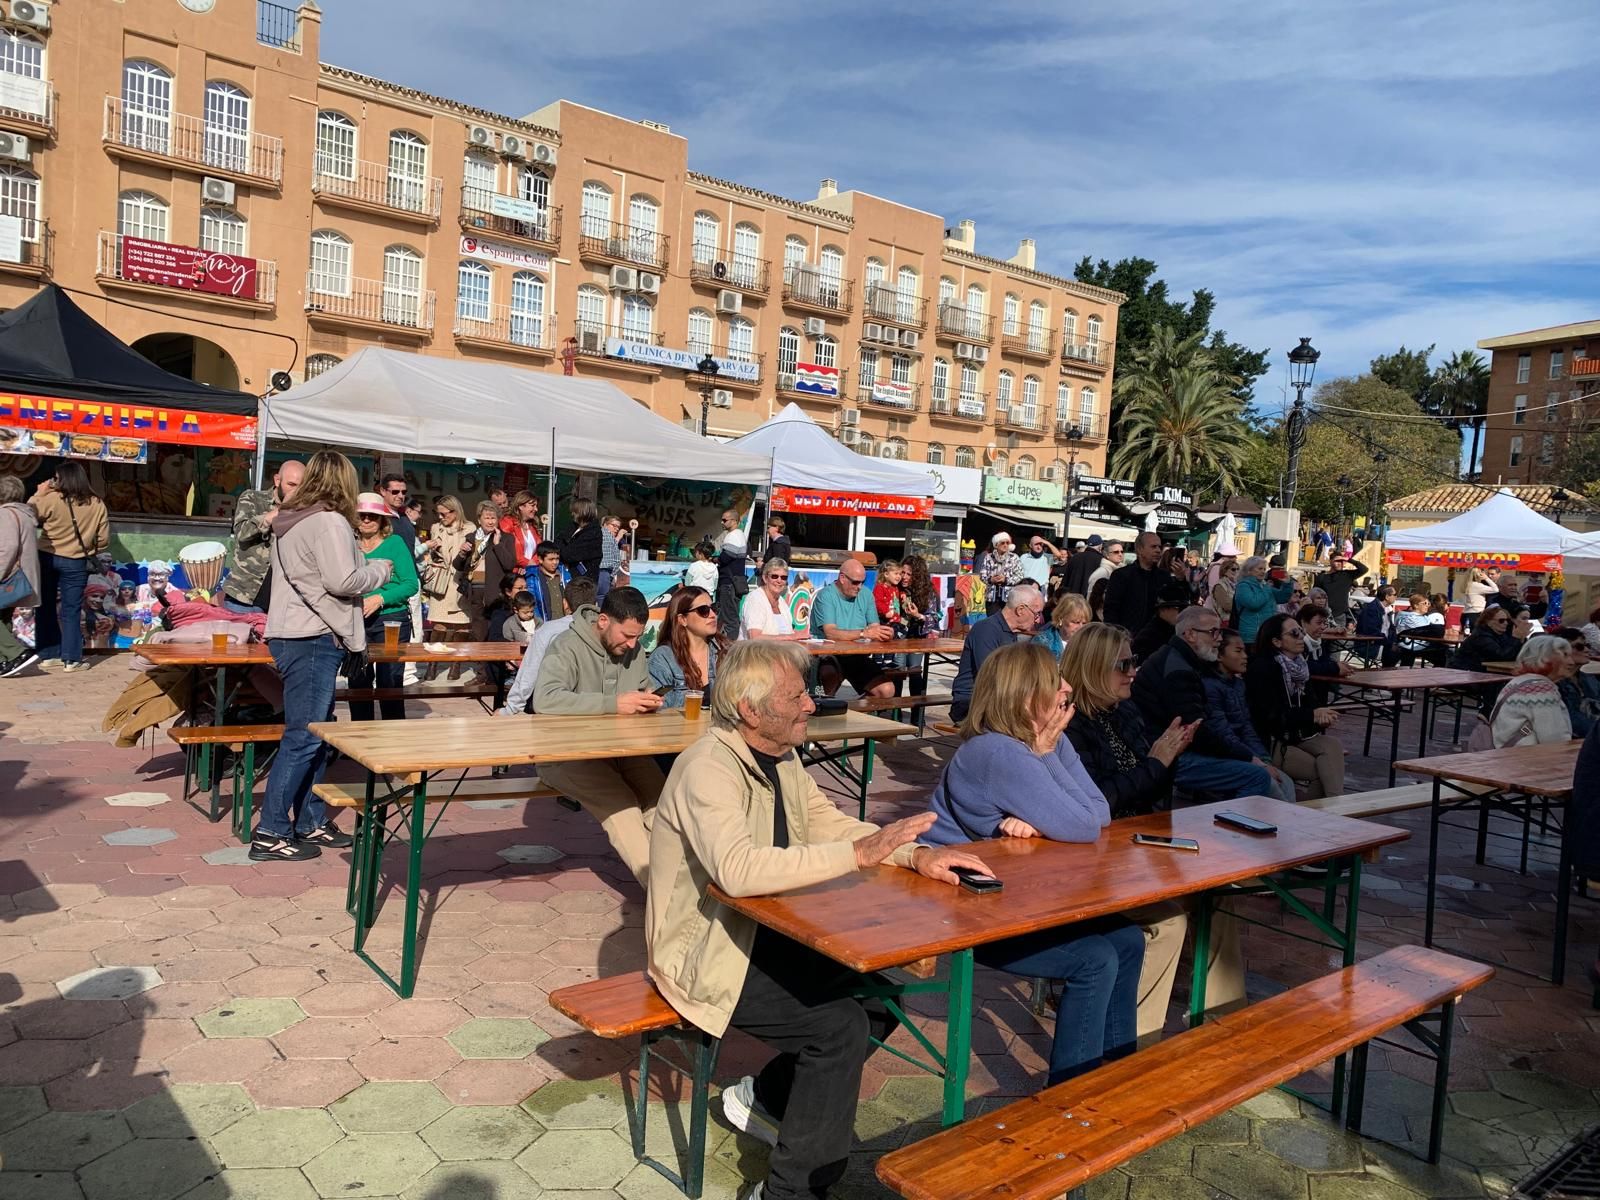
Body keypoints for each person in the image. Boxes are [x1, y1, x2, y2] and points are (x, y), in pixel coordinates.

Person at [646, 639, 988, 1200]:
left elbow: (829, 825)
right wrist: (860, 855)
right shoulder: (707, 768)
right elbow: (736, 870)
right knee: (839, 1028)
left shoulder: (780, 757)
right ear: (751, 710)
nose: (811, 703)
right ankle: (788, 1193)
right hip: (709, 951)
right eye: (797, 695)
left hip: (768, 932)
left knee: (883, 993)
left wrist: (912, 854)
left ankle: (769, 1101)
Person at [923, 641, 1143, 1082]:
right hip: (962, 906)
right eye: (1053, 681)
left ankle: (1119, 1076)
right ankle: (1070, 1095)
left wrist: (1048, 758)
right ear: (1026, 697)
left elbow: (1098, 813)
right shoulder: (998, 751)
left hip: (1012, 894)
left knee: (1127, 939)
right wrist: (1045, 762)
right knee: (1095, 957)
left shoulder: (1042, 742)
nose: (1066, 688)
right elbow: (1084, 825)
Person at [1058, 623, 1241, 1035]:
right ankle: (1135, 1042)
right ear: (1092, 668)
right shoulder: (1069, 725)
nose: (1134, 672)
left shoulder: (1124, 711)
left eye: (1134, 662)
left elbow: (1151, 787)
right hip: (1093, 860)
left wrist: (1169, 755)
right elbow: (1099, 801)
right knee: (1169, 921)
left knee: (1221, 893)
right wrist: (1157, 761)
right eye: (1124, 664)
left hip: (1138, 845)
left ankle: (1222, 1022)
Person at [258, 451, 392, 861]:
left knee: (315, 733)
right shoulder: (329, 520)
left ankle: (310, 820)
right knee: (303, 735)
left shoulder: (291, 520)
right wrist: (381, 569)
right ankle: (271, 831)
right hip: (312, 637)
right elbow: (343, 580)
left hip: (292, 632)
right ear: (344, 484)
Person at [534, 586, 665, 882]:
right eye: (627, 636)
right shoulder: (567, 645)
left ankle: (692, 887)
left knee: (665, 807)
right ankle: (668, 903)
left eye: (637, 637)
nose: (633, 645)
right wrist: (613, 704)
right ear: (603, 621)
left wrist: (646, 702)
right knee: (624, 809)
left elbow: (637, 694)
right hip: (566, 755)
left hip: (623, 750)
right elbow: (545, 700)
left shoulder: (635, 650)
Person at [1133, 606, 1278, 801]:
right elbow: (1198, 731)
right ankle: (1232, 826)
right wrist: (1249, 757)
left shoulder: (1178, 659)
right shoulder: (1179, 670)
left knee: (1268, 777)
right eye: (1213, 632)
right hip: (1167, 756)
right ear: (1190, 634)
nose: (1219, 638)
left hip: (1168, 750)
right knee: (1258, 777)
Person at [1245, 615, 1346, 799]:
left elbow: (1311, 706)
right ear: (1276, 641)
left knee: (1332, 745)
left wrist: (1321, 718)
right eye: (1294, 633)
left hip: (1297, 733)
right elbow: (1271, 716)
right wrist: (1312, 715)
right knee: (1321, 770)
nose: (1301, 636)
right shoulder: (1263, 668)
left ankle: (1332, 811)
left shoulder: (1300, 667)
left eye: (1300, 630)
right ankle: (1333, 812)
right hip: (1272, 740)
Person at [347, 492, 420, 723]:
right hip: (355, 620)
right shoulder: (347, 544)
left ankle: (393, 739)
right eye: (362, 515)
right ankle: (359, 737)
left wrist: (379, 598)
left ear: (382, 520)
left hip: (391, 620)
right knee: (357, 681)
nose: (367, 520)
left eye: (373, 516)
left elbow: (411, 584)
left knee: (390, 682)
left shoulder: (394, 543)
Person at [29, 462, 110, 670]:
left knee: (44, 606)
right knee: (71, 610)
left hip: (47, 556)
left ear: (62, 478)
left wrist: (39, 493)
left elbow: (29, 516)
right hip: (76, 561)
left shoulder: (51, 499)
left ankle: (48, 654)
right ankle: (72, 659)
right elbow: (103, 540)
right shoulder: (96, 503)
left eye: (56, 478)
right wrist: (87, 547)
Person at [1204, 629, 1296, 802]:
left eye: (1245, 651)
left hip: (1243, 752)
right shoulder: (1210, 687)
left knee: (1286, 782)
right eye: (1238, 651)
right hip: (1222, 754)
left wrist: (1264, 759)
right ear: (1219, 656)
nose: (1245, 656)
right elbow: (1222, 734)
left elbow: (1246, 727)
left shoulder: (1238, 684)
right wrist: (1255, 761)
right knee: (1271, 784)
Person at [498, 578, 597, 715]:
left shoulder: (548, 630)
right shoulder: (604, 631)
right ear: (595, 604)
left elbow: (529, 673)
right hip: (595, 705)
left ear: (565, 604)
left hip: (554, 706)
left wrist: (510, 710)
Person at [950, 582, 1044, 721]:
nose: (1038, 619)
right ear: (1020, 610)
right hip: (971, 703)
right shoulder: (986, 630)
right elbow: (993, 676)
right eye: (1037, 614)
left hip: (994, 701)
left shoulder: (1009, 632)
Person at [222, 459, 304, 614]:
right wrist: (273, 515)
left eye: (301, 488)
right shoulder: (253, 498)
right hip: (244, 596)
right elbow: (241, 533)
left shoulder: (303, 511)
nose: (295, 492)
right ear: (277, 480)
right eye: (291, 485)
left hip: (279, 601)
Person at [809, 559, 897, 699]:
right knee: (827, 679)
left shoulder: (866, 594)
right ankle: (823, 707)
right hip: (828, 655)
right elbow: (830, 633)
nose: (860, 586)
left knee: (886, 690)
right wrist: (864, 633)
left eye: (862, 582)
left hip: (857, 656)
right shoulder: (825, 596)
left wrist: (883, 633)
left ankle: (850, 712)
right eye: (856, 582)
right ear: (842, 578)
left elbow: (874, 627)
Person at [648, 586, 727, 708]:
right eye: (703, 610)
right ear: (683, 619)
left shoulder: (726, 651)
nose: (712, 615)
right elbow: (660, 709)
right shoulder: (664, 658)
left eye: (714, 608)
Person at [1490, 636, 1575, 747]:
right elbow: (1555, 740)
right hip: (1530, 759)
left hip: (1508, 755)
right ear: (1545, 658)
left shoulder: (1516, 683)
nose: (1571, 662)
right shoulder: (1542, 690)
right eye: (1564, 655)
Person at [0, 474, 41, 677]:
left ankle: (17, 653)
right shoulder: (24, 514)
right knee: (3, 616)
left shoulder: (6, 514)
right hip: (22, 575)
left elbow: (7, 548)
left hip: (9, 575)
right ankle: (6, 660)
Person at [421, 495, 472, 653]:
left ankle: (456, 664)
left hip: (458, 582)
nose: (441, 517)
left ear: (455, 512)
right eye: (438, 514)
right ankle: (433, 663)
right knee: (438, 623)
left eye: (444, 514)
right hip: (441, 583)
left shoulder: (469, 528)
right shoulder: (436, 528)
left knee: (462, 624)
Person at [1102, 531, 1164, 633]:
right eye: (1153, 547)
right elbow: (1111, 610)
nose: (1158, 550)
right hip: (1127, 638)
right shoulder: (1121, 575)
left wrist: (1181, 579)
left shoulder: (1163, 577)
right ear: (1139, 549)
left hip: (1156, 640)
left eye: (1159, 547)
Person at [1231, 555, 1292, 644]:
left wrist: (1287, 584)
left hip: (1266, 633)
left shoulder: (1263, 585)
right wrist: (1267, 588)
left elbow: (1282, 598)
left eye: (1264, 569)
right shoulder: (1243, 586)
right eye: (1259, 569)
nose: (1263, 572)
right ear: (1249, 570)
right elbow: (1253, 603)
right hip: (1251, 636)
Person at [742, 559, 807, 641]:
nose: (779, 581)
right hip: (758, 652)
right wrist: (789, 637)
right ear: (765, 578)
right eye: (774, 576)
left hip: (782, 651)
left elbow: (788, 632)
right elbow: (754, 637)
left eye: (783, 577)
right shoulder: (755, 599)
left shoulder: (781, 602)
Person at [1552, 628, 1600, 737]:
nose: (1587, 650)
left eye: (1587, 645)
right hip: (1572, 740)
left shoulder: (1589, 678)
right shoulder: (1554, 684)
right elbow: (1570, 719)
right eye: (1579, 647)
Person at [1451, 604, 1524, 674]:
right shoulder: (1481, 636)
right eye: (1501, 620)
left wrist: (1521, 639)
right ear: (1488, 622)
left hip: (1480, 673)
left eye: (1507, 620)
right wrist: (1516, 638)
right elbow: (1501, 656)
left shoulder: (1501, 635)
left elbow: (1512, 653)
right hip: (1466, 673)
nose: (1506, 623)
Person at [1130, 580, 1191, 664]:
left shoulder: (1182, 631)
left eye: (1185, 609)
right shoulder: (1148, 638)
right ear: (1163, 609)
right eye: (1179, 608)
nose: (1183, 613)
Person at [715, 516, 751, 639]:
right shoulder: (740, 535)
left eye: (725, 520)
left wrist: (716, 559)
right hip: (734, 582)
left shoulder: (734, 536)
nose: (722, 522)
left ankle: (730, 647)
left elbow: (727, 556)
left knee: (729, 617)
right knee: (731, 615)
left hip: (729, 582)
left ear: (734, 521)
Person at [501, 491, 544, 587]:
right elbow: (508, 550)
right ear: (520, 506)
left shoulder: (532, 525)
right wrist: (526, 563)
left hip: (529, 573)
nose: (536, 509)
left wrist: (531, 565)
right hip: (512, 576)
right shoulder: (507, 522)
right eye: (532, 505)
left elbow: (539, 550)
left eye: (536, 506)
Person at [1395, 592, 1448, 667]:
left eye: (1428, 603)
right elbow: (1437, 633)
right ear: (1416, 605)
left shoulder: (1406, 615)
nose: (1427, 606)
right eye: (1424, 603)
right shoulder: (1413, 618)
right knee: (1445, 653)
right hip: (1415, 646)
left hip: (1409, 645)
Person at [975, 531, 1023, 616]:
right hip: (991, 597)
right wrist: (991, 579)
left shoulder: (1014, 558)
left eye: (1007, 543)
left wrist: (1006, 580)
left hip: (1009, 598)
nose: (1005, 545)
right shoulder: (988, 557)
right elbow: (982, 575)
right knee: (992, 622)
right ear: (996, 545)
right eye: (1002, 543)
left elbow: (1020, 576)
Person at [1313, 553, 1368, 625]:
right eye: (1337, 561)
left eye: (1342, 561)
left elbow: (1364, 569)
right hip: (1323, 613)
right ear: (1330, 561)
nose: (1340, 563)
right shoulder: (1322, 577)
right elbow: (1314, 593)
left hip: (1340, 615)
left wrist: (1348, 559)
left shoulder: (1347, 575)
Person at [560, 497, 604, 587]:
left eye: (575, 511)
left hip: (584, 580)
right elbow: (557, 541)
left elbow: (569, 555)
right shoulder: (572, 527)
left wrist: (561, 549)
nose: (572, 514)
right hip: (568, 576)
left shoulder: (593, 533)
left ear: (582, 512)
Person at [1035, 592, 1091, 659]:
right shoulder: (1043, 643)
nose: (1081, 627)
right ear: (1060, 619)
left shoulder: (1090, 643)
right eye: (1076, 622)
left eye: (1084, 623)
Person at [1354, 584, 1399, 667]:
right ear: (1387, 596)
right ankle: (1386, 673)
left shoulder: (1387, 608)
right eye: (1395, 595)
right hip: (1370, 645)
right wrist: (1390, 644)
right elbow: (1372, 632)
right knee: (1400, 652)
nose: (1396, 597)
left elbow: (1391, 629)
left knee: (1408, 650)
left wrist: (1395, 642)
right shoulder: (1371, 609)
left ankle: (1388, 673)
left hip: (1382, 643)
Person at [528, 541, 565, 625]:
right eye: (551, 559)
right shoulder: (532, 578)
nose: (555, 562)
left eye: (557, 559)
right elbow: (534, 604)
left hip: (565, 623)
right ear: (540, 559)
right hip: (545, 624)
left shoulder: (564, 574)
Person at [378, 473, 415, 548]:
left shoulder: (404, 515)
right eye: (395, 492)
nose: (401, 496)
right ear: (383, 491)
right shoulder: (378, 517)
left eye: (404, 492)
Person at [1462, 567, 1497, 633]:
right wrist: (1487, 578)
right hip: (1476, 614)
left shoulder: (1468, 584)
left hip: (1466, 614)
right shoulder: (1478, 586)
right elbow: (1495, 589)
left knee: (1467, 636)